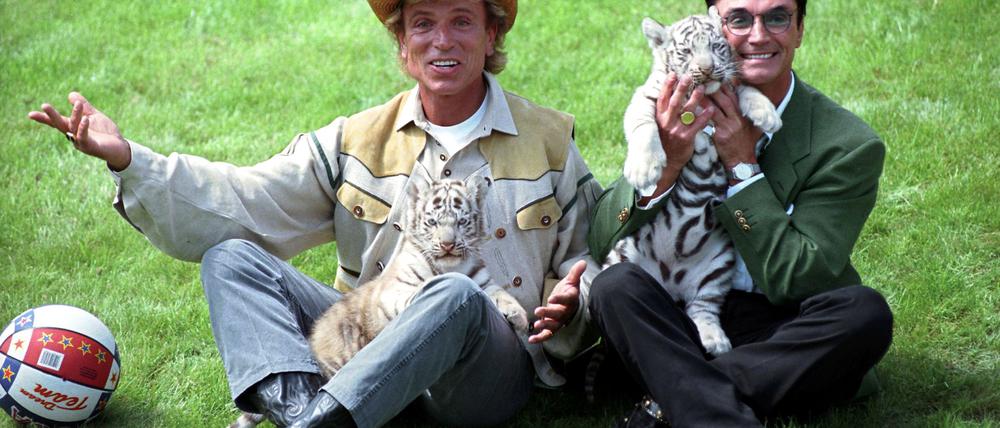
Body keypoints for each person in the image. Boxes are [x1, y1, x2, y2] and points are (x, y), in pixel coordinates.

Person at [28, 1, 602, 427]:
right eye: (423, 23)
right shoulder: (355, 139)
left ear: (491, 32)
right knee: (232, 260)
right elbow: (244, 198)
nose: (441, 40)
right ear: (402, 42)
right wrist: (130, 159)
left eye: (461, 20)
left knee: (454, 294)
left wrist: (572, 301)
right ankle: (306, 413)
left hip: (481, 372)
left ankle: (330, 414)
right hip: (367, 343)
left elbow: (591, 257)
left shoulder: (548, 140)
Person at [585, 0, 893, 426]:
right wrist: (668, 162)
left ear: (800, 29)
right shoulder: (673, 104)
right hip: (678, 313)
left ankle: (669, 398)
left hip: (776, 326)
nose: (758, 35)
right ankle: (703, 398)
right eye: (740, 19)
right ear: (715, 25)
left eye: (778, 17)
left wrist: (743, 167)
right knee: (614, 286)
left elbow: (802, 278)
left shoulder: (847, 145)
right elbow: (601, 238)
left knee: (864, 314)